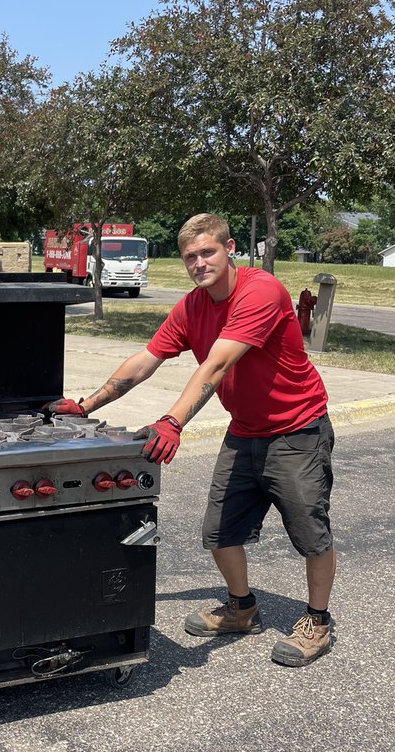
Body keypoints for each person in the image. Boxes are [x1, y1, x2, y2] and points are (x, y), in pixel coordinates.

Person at [48, 213, 336, 668]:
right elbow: (147, 359)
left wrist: (172, 421)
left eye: (208, 252)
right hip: (245, 429)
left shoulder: (260, 291)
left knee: (310, 533)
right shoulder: (193, 306)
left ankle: (317, 621)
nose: (199, 263)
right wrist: (88, 404)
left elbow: (216, 366)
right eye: (190, 257)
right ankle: (242, 608)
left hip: (297, 428)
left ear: (229, 248)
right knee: (219, 533)